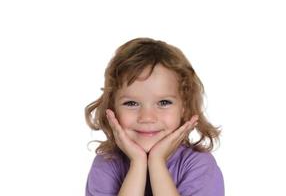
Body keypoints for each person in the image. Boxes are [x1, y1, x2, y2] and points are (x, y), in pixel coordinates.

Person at [85, 37, 224, 196]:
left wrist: (157, 162)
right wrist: (138, 163)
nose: (147, 117)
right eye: (131, 103)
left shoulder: (199, 165)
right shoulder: (106, 165)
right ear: (112, 109)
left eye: (164, 102)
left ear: (184, 108)